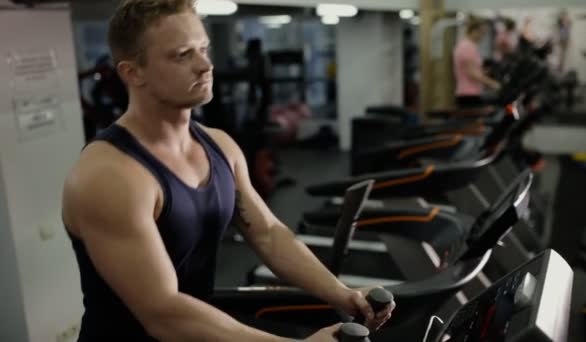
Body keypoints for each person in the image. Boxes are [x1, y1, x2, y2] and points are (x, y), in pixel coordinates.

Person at [62, 0, 395, 341]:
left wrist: (343, 293)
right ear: (133, 72)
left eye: (203, 49)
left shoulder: (219, 146)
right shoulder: (109, 176)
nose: (205, 65)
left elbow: (267, 233)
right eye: (182, 55)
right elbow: (162, 312)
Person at [453, 16, 501, 107]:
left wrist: (482, 72)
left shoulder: (468, 46)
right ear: (475, 30)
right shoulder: (467, 47)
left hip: (471, 93)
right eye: (482, 33)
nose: (483, 36)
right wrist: (494, 84)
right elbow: (472, 74)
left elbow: (472, 70)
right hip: (468, 94)